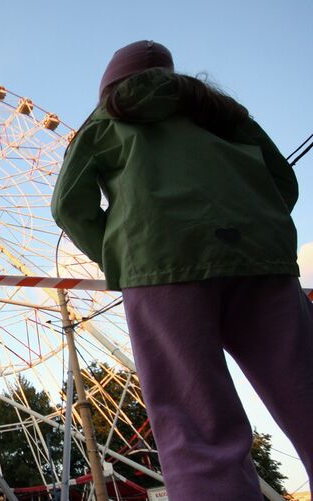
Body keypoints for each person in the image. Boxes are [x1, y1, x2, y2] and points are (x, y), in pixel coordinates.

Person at [51, 40, 313, 500]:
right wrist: (257, 226)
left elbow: (68, 205)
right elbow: (283, 182)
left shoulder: (105, 120)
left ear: (110, 84)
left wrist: (119, 254)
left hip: (159, 265)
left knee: (195, 424)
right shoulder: (225, 113)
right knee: (305, 389)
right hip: (261, 258)